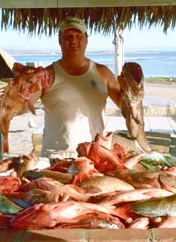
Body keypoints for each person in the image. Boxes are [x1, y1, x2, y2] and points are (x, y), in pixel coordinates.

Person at [40, 17, 123, 157]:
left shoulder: (103, 73)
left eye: (79, 36)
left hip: (94, 154)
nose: (73, 41)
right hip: (55, 156)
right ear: (59, 40)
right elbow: (24, 104)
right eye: (68, 36)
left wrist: (131, 88)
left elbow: (125, 106)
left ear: (86, 40)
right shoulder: (46, 75)